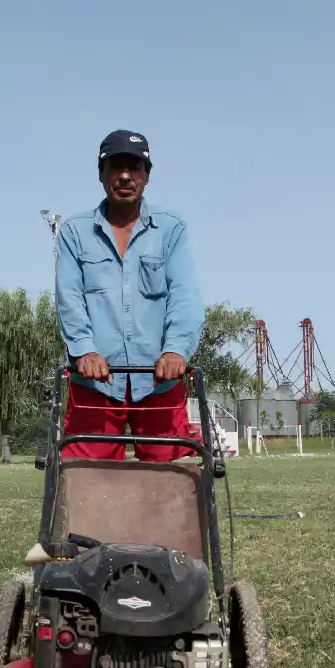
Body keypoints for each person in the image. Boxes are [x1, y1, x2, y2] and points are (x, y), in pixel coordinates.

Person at [54, 128, 204, 462]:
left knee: (174, 483)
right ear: (101, 174)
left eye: (134, 167)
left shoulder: (171, 229)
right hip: (94, 384)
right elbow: (69, 298)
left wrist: (176, 350)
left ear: (146, 175)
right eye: (116, 166)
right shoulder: (74, 232)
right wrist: (85, 350)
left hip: (159, 380)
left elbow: (185, 296)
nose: (125, 175)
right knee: (83, 481)